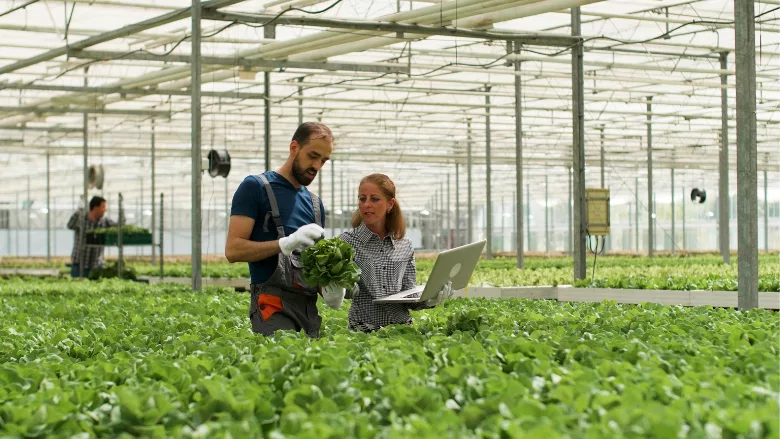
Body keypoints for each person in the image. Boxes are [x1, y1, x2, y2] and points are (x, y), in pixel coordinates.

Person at [226, 122, 341, 338]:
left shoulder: (315, 205)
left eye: (323, 160)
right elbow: (233, 250)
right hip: (272, 306)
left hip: (308, 310)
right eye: (313, 155)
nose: (316, 165)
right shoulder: (256, 187)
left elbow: (311, 268)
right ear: (294, 147)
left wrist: (330, 287)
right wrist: (285, 243)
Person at [335, 174, 453, 333]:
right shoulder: (347, 242)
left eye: (374, 199)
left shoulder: (405, 245)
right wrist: (337, 287)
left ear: (390, 204)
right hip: (363, 330)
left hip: (403, 329)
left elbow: (409, 296)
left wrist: (430, 299)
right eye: (362, 199)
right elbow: (346, 292)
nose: (366, 204)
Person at [67, 196, 117, 278]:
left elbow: (120, 227)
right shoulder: (81, 219)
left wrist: (121, 210)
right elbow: (70, 225)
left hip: (97, 265)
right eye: (103, 207)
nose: (105, 210)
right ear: (95, 207)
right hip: (79, 264)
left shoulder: (105, 221)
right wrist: (79, 210)